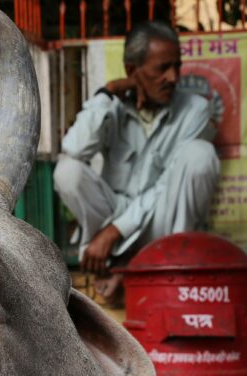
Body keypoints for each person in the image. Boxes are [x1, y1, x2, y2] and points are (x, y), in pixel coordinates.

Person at [54, 21, 220, 298]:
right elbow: (74, 149)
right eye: (162, 68)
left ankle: (152, 261)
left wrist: (115, 232)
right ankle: (113, 259)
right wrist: (107, 93)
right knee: (67, 170)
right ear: (133, 70)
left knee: (200, 155)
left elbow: (167, 184)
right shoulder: (112, 107)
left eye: (177, 66)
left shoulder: (196, 110)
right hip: (113, 213)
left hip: (163, 222)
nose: (174, 77)